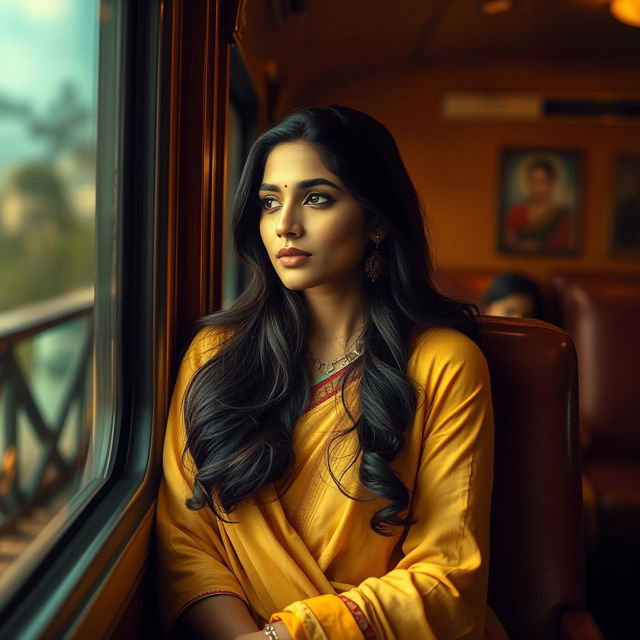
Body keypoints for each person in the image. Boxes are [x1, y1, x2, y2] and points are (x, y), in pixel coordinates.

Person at [155, 106, 509, 640]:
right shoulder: (216, 355)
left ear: (377, 220)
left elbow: (448, 578)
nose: (284, 224)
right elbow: (185, 539)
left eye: (316, 198)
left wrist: (283, 638)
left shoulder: (444, 363)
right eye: (270, 201)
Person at [503, 158, 572, 253]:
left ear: (551, 184)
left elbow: (563, 246)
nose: (537, 187)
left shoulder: (561, 215)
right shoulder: (517, 211)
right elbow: (508, 240)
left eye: (542, 181)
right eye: (534, 181)